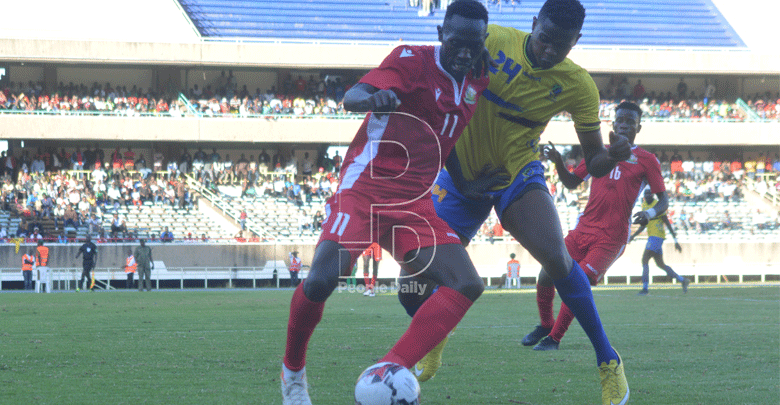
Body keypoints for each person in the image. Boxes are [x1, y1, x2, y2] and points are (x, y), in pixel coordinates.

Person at [405, 1, 630, 403]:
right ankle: (436, 337)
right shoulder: (490, 39)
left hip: (516, 175)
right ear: (532, 25)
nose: (549, 51)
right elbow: (442, 100)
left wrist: (610, 157)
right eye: (544, 39)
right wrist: (460, 178)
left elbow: (594, 162)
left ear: (575, 42)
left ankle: (608, 361)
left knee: (559, 260)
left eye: (560, 46)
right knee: (413, 281)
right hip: (461, 177)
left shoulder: (579, 85)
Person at [281, 2, 491, 403]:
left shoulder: (479, 76)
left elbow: (448, 142)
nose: (465, 51)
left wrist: (468, 183)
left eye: (473, 43)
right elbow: (355, 95)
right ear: (441, 34)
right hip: (367, 189)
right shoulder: (411, 60)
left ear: (484, 40)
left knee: (465, 284)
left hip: (416, 202)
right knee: (323, 280)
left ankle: (389, 368)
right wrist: (368, 100)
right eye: (457, 41)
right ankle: (293, 374)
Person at [525, 101, 666, 355]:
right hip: (583, 230)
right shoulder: (599, 154)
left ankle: (555, 339)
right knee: (546, 273)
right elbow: (570, 183)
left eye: (630, 122)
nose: (624, 125)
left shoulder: (647, 160)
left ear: (639, 128)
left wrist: (649, 212)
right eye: (620, 120)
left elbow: (663, 200)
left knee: (578, 283)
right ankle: (545, 325)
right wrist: (558, 161)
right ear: (613, 124)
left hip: (610, 238)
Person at [630, 188, 690, 295]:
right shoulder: (644, 206)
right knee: (661, 264)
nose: (648, 195)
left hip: (657, 236)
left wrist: (676, 240)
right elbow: (643, 225)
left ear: (653, 195)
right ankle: (683, 280)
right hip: (653, 237)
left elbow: (667, 222)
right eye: (646, 194)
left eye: (649, 194)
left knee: (645, 259)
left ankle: (645, 289)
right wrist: (633, 236)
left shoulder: (658, 206)